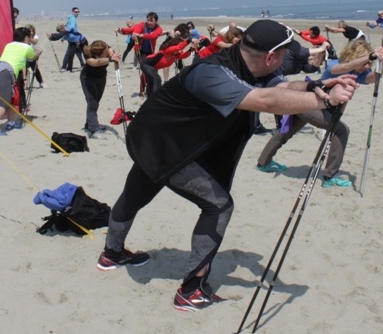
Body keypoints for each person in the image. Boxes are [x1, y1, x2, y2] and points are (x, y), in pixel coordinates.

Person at [97, 20, 359, 312]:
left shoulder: (250, 67)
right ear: (270, 57)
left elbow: (282, 87)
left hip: (158, 137)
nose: (288, 59)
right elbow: (265, 100)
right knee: (218, 206)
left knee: (136, 193)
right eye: (285, 53)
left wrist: (317, 86)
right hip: (164, 146)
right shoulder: (210, 74)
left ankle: (111, 254)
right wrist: (324, 102)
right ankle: (191, 290)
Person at [256, 38, 383, 187]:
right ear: (354, 57)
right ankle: (329, 176)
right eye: (364, 62)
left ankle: (263, 162)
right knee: (341, 130)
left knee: (287, 130)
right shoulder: (334, 64)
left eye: (369, 63)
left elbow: (374, 78)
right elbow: (345, 67)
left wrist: (382, 62)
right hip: (310, 102)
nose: (367, 66)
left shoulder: (360, 72)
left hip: (322, 108)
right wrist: (370, 56)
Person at [0, 27, 38, 135]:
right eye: (29, 37)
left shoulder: (9, 44)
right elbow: (32, 57)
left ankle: (11, 122)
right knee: (3, 104)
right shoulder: (27, 47)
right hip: (4, 72)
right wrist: (38, 52)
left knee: (9, 100)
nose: (30, 39)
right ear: (25, 37)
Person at [82, 40, 120, 138]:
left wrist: (113, 55)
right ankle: (94, 130)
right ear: (99, 54)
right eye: (105, 52)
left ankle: (90, 124)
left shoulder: (106, 49)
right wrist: (110, 59)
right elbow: (98, 62)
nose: (107, 51)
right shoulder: (89, 58)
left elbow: (110, 49)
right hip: (88, 79)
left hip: (101, 77)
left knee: (96, 101)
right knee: (92, 103)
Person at [61, 7, 86, 72]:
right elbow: (70, 29)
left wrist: (64, 37)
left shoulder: (70, 18)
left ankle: (82, 65)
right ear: (73, 12)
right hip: (73, 39)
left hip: (72, 38)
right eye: (76, 12)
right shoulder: (72, 19)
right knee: (70, 52)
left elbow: (67, 28)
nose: (77, 13)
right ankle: (64, 67)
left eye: (78, 12)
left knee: (77, 51)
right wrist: (64, 37)